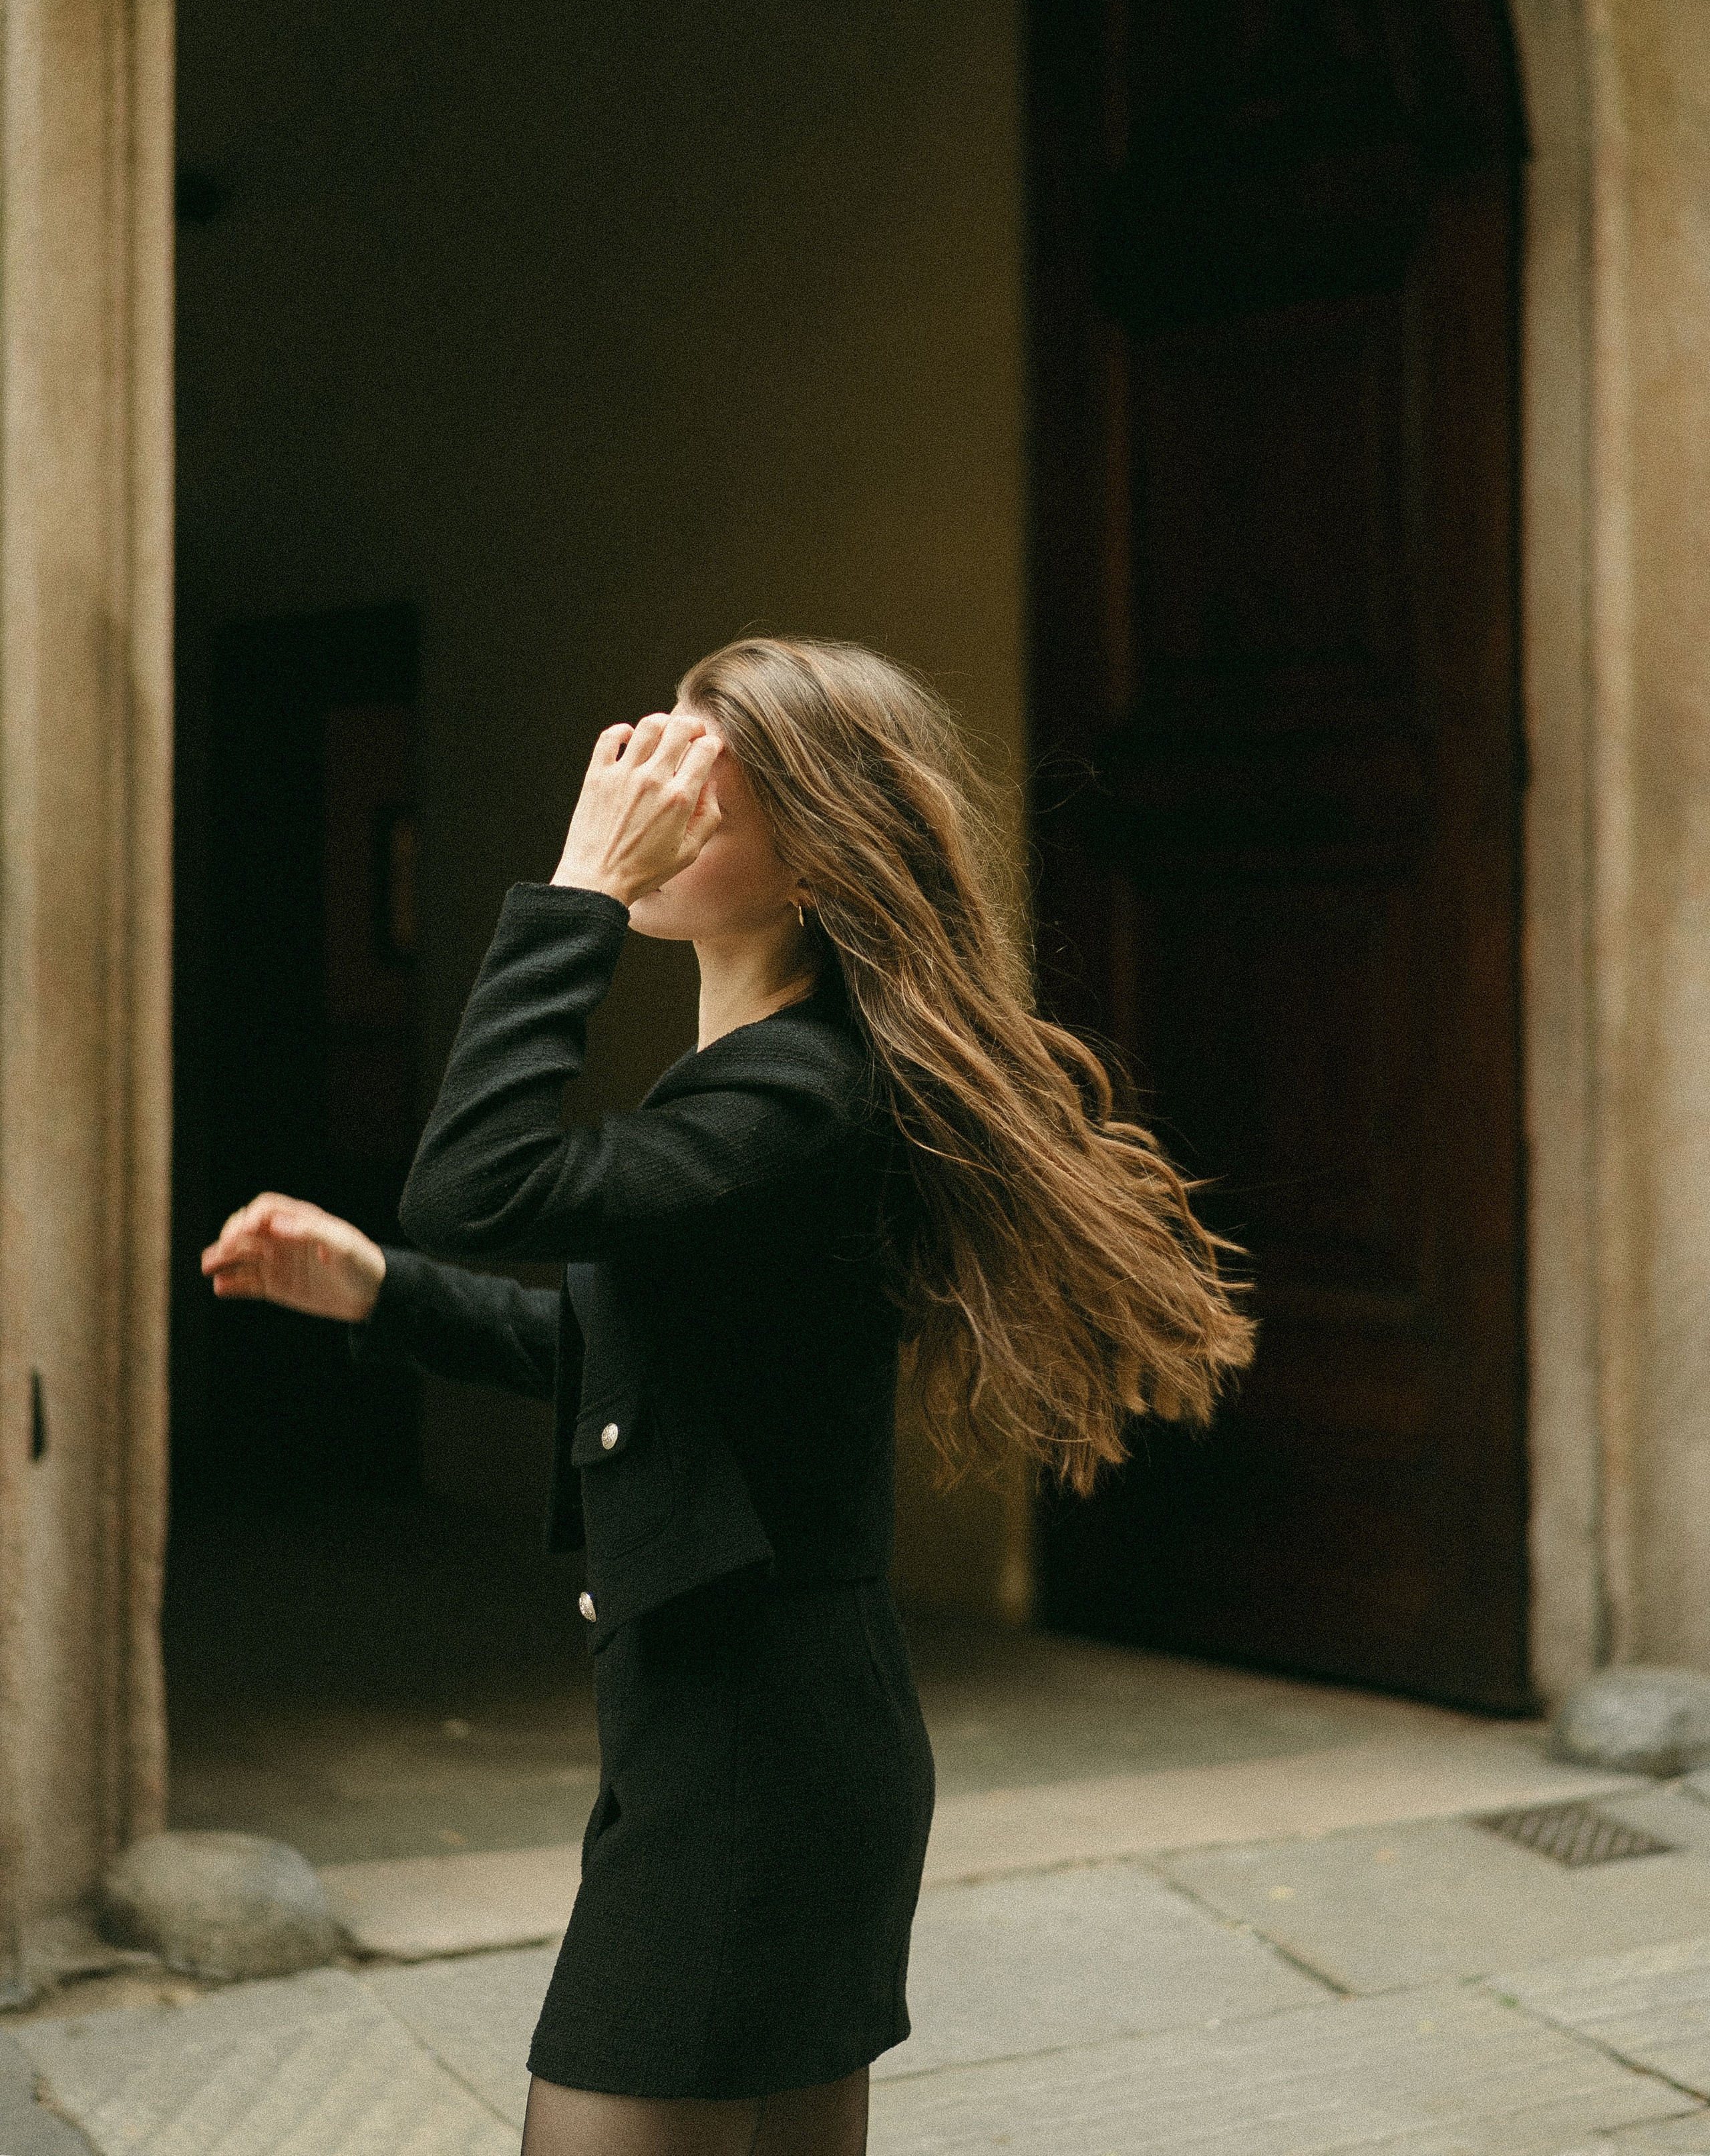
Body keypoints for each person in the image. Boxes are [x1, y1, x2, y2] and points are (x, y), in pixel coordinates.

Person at [202, 635, 1253, 2156]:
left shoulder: (801, 1095)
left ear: (816, 855)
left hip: (759, 1756)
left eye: (702, 782)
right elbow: (645, 1374)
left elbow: (474, 1186)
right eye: (651, 764)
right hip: (757, 1742)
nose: (650, 801)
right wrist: (379, 1290)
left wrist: (577, 890)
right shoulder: (773, 1079)